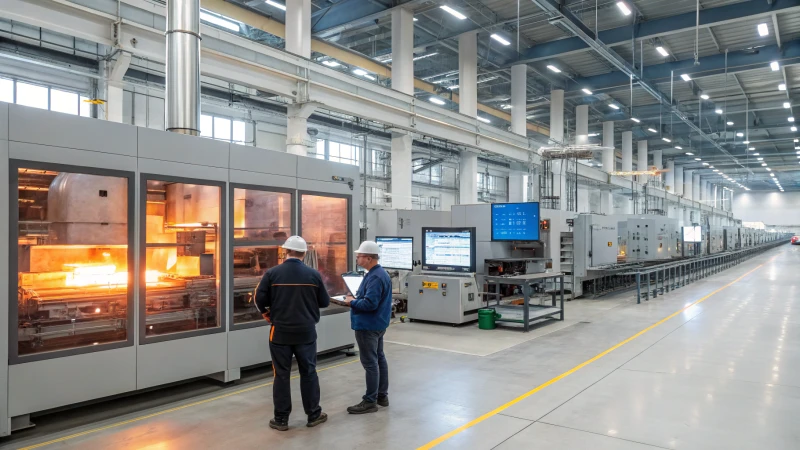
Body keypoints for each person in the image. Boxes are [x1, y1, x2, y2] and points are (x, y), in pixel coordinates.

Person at [254, 235, 330, 431]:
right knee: (309, 372)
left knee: (281, 375)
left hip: (280, 333)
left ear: (285, 251)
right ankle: (313, 415)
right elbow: (324, 302)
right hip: (306, 333)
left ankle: (281, 420)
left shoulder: (272, 273)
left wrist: (266, 313)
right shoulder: (313, 275)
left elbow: (259, 298)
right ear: (304, 253)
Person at [343, 240, 392, 414]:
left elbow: (370, 304)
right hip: (378, 323)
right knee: (379, 358)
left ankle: (370, 400)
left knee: (370, 363)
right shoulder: (378, 274)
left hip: (368, 325)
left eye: (360, 256)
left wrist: (351, 302)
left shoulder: (375, 277)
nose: (357, 258)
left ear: (369, 258)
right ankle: (381, 396)